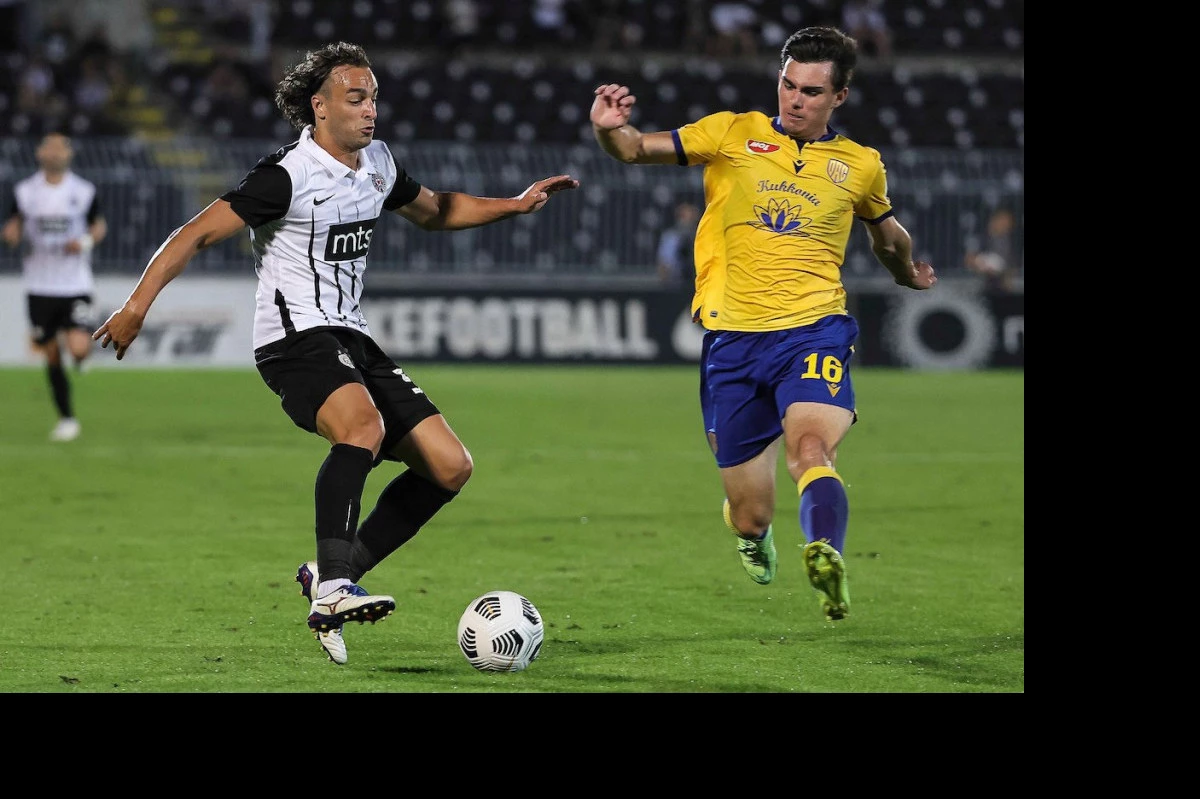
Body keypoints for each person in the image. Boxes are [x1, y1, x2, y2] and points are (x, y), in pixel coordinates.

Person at [93, 41, 579, 664]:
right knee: (361, 428)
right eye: (356, 99)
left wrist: (516, 203)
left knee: (449, 466)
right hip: (292, 340)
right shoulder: (286, 176)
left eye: (373, 97)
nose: (370, 110)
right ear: (320, 107)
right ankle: (334, 589)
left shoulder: (378, 163)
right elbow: (194, 234)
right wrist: (136, 306)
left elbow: (436, 210)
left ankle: (329, 575)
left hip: (353, 336)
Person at [589, 26, 936, 621]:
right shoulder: (731, 132)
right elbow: (635, 148)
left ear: (839, 97)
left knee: (810, 449)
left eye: (811, 91)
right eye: (788, 84)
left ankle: (825, 548)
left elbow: (887, 234)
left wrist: (906, 272)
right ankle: (754, 536)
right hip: (734, 342)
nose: (795, 99)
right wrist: (607, 127)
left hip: (815, 328)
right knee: (751, 513)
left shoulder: (859, 165)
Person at [2, 131, 107, 442]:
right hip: (39, 286)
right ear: (40, 153)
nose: (55, 152)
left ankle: (82, 358)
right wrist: (11, 234)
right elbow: (13, 226)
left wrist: (84, 242)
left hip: (75, 284)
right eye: (49, 147)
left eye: (61, 148)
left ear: (69, 154)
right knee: (51, 356)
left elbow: (98, 226)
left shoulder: (83, 191)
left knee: (78, 347)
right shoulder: (25, 192)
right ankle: (67, 419)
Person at [964, 206, 1020, 292]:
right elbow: (969, 259)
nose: (1006, 225)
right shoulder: (981, 238)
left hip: (1005, 281)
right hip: (981, 281)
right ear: (994, 221)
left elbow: (1014, 263)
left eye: (1008, 221)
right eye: (1002, 221)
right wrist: (981, 265)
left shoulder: (1013, 240)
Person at [656, 201, 699, 289]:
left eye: (690, 217)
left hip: (697, 280)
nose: (686, 220)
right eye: (683, 216)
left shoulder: (701, 236)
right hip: (675, 281)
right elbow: (664, 262)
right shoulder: (670, 236)